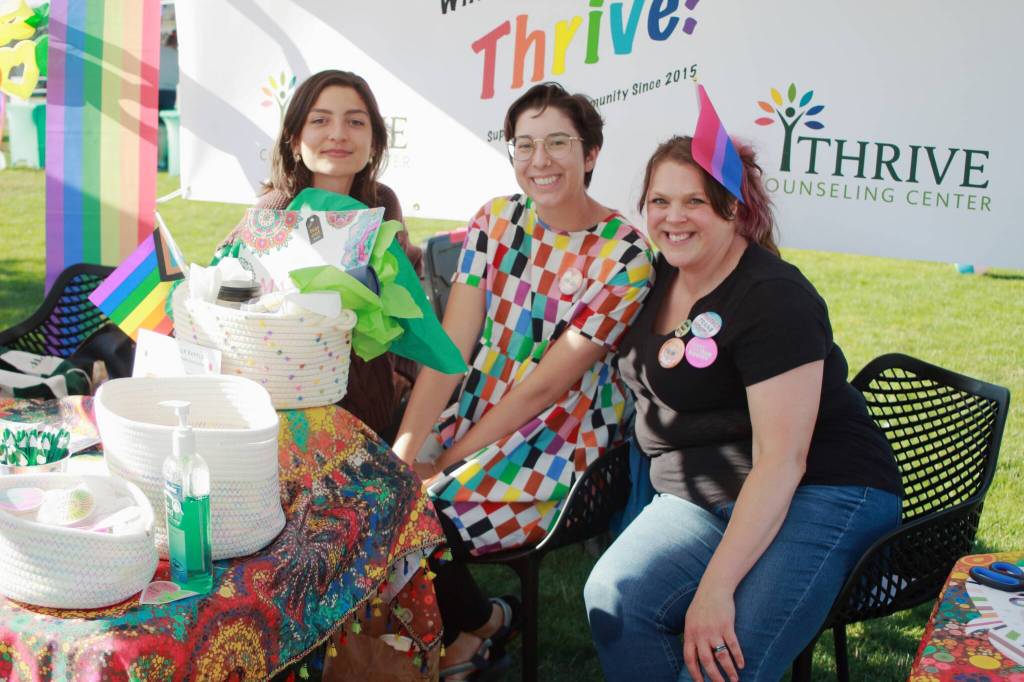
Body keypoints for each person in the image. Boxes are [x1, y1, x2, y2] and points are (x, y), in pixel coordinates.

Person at [584, 136, 902, 682]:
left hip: (822, 487)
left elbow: (782, 461)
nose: (673, 217)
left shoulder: (774, 298)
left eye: (695, 202)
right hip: (708, 493)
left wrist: (714, 590)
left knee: (718, 659)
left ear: (734, 208)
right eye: (659, 201)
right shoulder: (655, 277)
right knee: (615, 598)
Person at [392, 82, 654, 678]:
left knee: (422, 517)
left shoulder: (626, 255)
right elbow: (449, 348)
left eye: (558, 142)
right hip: (480, 412)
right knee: (384, 492)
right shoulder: (496, 219)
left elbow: (545, 389)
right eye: (525, 145)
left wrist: (448, 461)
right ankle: (479, 625)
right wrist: (407, 448)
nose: (540, 161)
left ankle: (473, 630)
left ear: (590, 154)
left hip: (562, 444)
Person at [217, 69, 421, 439]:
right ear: (295, 139)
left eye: (355, 122)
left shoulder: (382, 203)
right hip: (289, 415)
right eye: (320, 120)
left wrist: (404, 374)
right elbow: (223, 296)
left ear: (374, 141)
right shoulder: (275, 209)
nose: (338, 134)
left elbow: (403, 292)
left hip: (369, 415)